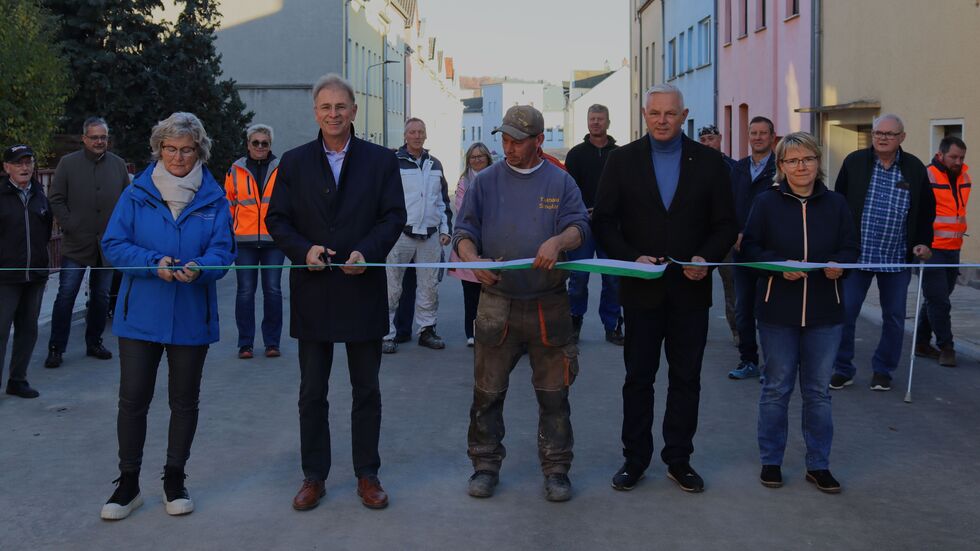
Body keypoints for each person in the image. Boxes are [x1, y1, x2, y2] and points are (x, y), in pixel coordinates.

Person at [265, 74, 406, 511]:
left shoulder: (380, 161)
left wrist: (368, 251)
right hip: (314, 291)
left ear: (353, 111)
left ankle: (367, 474)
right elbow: (277, 219)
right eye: (325, 107)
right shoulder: (293, 162)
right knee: (312, 392)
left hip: (362, 288)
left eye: (340, 106)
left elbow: (393, 215)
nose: (333, 114)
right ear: (315, 113)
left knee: (367, 390)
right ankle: (314, 476)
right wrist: (302, 250)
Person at [593, 84, 737, 493]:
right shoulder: (622, 160)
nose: (661, 120)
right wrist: (630, 257)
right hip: (642, 290)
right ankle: (635, 459)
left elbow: (726, 223)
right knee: (639, 378)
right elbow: (604, 221)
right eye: (655, 113)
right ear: (644, 114)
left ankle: (679, 459)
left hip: (691, 291)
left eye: (670, 113)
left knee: (686, 378)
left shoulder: (709, 162)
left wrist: (706, 257)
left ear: (683, 115)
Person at [99, 112, 235, 520]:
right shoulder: (136, 193)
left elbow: (223, 252)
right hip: (140, 314)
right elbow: (113, 244)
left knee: (184, 401)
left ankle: (174, 480)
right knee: (133, 400)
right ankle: (128, 484)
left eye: (186, 149)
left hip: (192, 316)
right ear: (159, 150)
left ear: (200, 152)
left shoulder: (215, 198)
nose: (177, 157)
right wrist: (151, 263)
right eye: (170, 148)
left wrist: (201, 267)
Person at [454, 104, 589, 502]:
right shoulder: (486, 182)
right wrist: (473, 259)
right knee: (487, 394)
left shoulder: (560, 181)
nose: (508, 148)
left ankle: (557, 469)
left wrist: (559, 241)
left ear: (539, 140)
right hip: (497, 304)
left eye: (517, 141)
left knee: (554, 395)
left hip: (549, 305)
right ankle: (484, 465)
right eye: (505, 140)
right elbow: (463, 231)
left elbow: (580, 227)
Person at [741, 132, 859, 494]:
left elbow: (851, 247)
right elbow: (750, 250)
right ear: (781, 166)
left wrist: (841, 265)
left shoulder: (836, 203)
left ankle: (818, 465)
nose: (801, 166)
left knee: (818, 392)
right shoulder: (765, 203)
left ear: (818, 161)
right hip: (778, 312)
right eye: (792, 161)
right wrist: (777, 266)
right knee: (776, 389)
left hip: (825, 313)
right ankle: (771, 461)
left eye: (807, 158)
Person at [831, 114, 935, 392]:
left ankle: (883, 371)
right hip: (857, 256)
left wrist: (923, 242)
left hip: (896, 257)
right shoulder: (854, 162)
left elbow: (927, 211)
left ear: (902, 137)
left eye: (889, 134)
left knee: (894, 317)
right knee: (845, 312)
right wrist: (837, 246)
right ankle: (843, 369)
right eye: (878, 132)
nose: (882, 138)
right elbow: (837, 204)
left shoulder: (914, 168)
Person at [44, 117, 129, 368]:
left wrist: (120, 231)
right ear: (84, 138)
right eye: (94, 137)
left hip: (107, 245)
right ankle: (56, 348)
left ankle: (94, 342)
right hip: (76, 244)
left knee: (101, 297)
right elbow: (56, 198)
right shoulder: (68, 163)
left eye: (103, 137)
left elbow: (127, 201)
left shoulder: (118, 165)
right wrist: (70, 224)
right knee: (66, 295)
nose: (99, 141)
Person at [382, 118, 451, 354]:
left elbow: (442, 201)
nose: (417, 136)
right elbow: (383, 199)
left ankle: (426, 330)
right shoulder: (393, 162)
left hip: (430, 236)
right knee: (392, 287)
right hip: (400, 235)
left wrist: (445, 230)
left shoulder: (435, 164)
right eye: (412, 132)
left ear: (426, 135)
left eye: (421, 131)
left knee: (429, 286)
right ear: (405, 136)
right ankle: (386, 334)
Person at [564, 104, 623, 345]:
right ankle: (574, 320)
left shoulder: (619, 154)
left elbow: (625, 191)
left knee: (613, 278)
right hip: (582, 225)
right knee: (578, 277)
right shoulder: (576, 154)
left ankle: (612, 325)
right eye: (592, 119)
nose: (596, 122)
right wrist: (583, 211)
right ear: (587, 122)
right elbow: (568, 190)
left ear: (608, 122)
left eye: (600, 119)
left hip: (611, 226)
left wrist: (603, 210)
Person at [225, 123, 285, 360]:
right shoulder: (235, 170)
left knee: (273, 291)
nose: (260, 147)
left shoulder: (281, 168)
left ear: (270, 145)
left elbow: (289, 203)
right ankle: (245, 344)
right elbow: (229, 205)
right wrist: (229, 234)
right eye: (255, 142)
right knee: (245, 292)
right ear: (248, 144)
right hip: (244, 242)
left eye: (264, 143)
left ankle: (272, 343)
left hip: (274, 242)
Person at [0, 145, 52, 399]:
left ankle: (17, 380)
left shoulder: (40, 194)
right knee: (1, 331)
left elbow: (45, 231)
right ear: (6, 167)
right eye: (19, 163)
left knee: (28, 330)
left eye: (28, 162)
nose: (24, 167)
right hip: (5, 278)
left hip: (35, 276)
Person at [728, 116, 778, 380]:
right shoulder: (737, 169)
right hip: (741, 252)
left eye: (763, 133)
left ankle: (773, 365)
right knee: (743, 309)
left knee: (769, 311)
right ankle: (748, 360)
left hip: (770, 252)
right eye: (753, 133)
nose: (757, 137)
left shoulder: (780, 169)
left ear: (772, 137)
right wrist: (733, 233)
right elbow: (727, 205)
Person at [916, 136, 970, 367]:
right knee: (939, 301)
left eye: (961, 157)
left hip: (953, 248)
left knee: (936, 298)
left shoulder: (964, 177)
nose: (958, 161)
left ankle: (921, 342)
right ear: (941, 155)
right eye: (953, 157)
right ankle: (947, 347)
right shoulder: (927, 175)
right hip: (931, 249)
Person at [448, 142, 493, 346]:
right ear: (468, 160)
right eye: (473, 157)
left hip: (492, 243)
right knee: (471, 295)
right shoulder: (464, 181)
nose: (477, 160)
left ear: (487, 158)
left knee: (492, 295)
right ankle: (472, 333)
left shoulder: (496, 178)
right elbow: (462, 209)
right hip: (470, 242)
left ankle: (491, 331)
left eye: (480, 156)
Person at [698, 125, 738, 345]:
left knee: (731, 284)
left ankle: (737, 331)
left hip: (724, 238)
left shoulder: (733, 167)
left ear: (720, 139)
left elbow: (737, 201)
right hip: (698, 238)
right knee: (695, 285)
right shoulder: (691, 166)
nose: (707, 143)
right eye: (703, 139)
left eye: (710, 138)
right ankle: (694, 329)